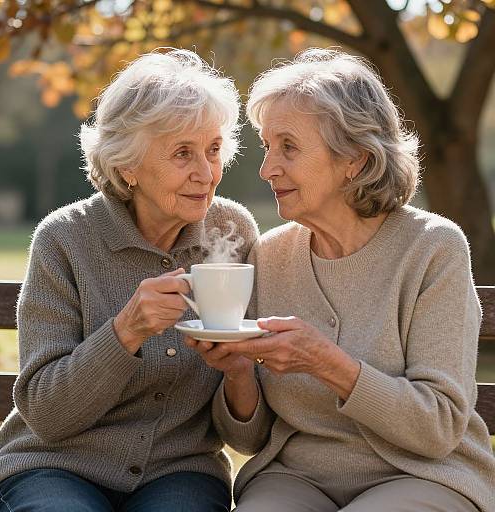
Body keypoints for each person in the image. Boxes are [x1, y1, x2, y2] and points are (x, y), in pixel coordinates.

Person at [186, 48, 495, 512]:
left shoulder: (433, 248)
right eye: (268, 146)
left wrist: (329, 363)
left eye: (288, 147)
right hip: (295, 478)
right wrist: (236, 371)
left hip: (422, 474)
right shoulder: (270, 255)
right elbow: (248, 439)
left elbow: (439, 428)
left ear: (354, 158)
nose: (267, 168)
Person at [0, 48, 259, 512]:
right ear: (127, 165)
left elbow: (246, 437)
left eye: (213, 149)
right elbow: (47, 415)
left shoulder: (231, 233)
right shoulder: (65, 239)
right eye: (182, 154)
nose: (206, 173)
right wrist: (125, 331)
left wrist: (239, 371)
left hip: (180, 471)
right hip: (55, 465)